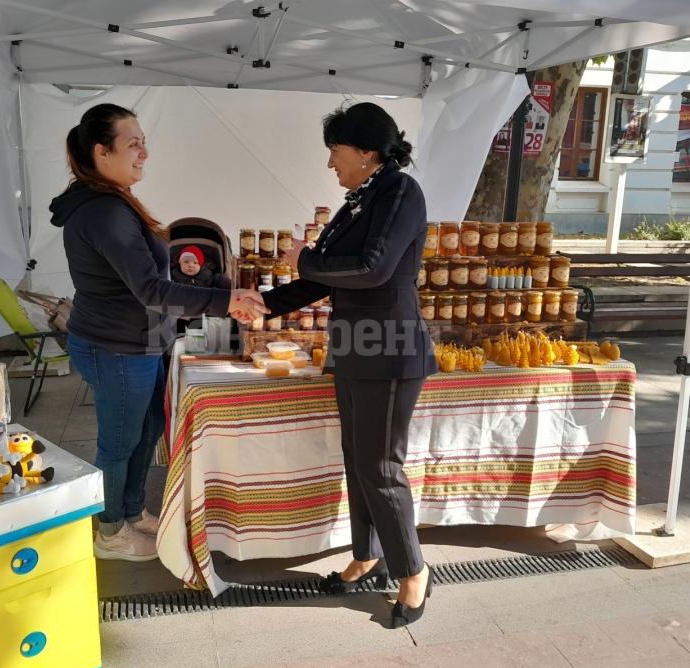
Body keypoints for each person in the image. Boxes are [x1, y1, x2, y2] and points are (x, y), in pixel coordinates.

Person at [50, 103, 266, 563]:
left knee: (147, 430)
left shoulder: (113, 200)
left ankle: (130, 510)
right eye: (133, 143)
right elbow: (150, 289)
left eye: (143, 141)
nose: (144, 152)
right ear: (101, 152)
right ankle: (110, 533)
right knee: (118, 442)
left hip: (138, 342)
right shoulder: (104, 211)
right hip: (117, 347)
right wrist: (225, 302)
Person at [261, 102, 438, 628]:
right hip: (356, 348)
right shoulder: (359, 199)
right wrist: (261, 303)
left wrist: (304, 259)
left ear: (365, 151)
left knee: (382, 468)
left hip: (390, 348)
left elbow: (371, 267)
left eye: (335, 152)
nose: (331, 164)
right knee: (359, 461)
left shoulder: (401, 192)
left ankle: (413, 573)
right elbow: (323, 281)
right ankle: (367, 554)